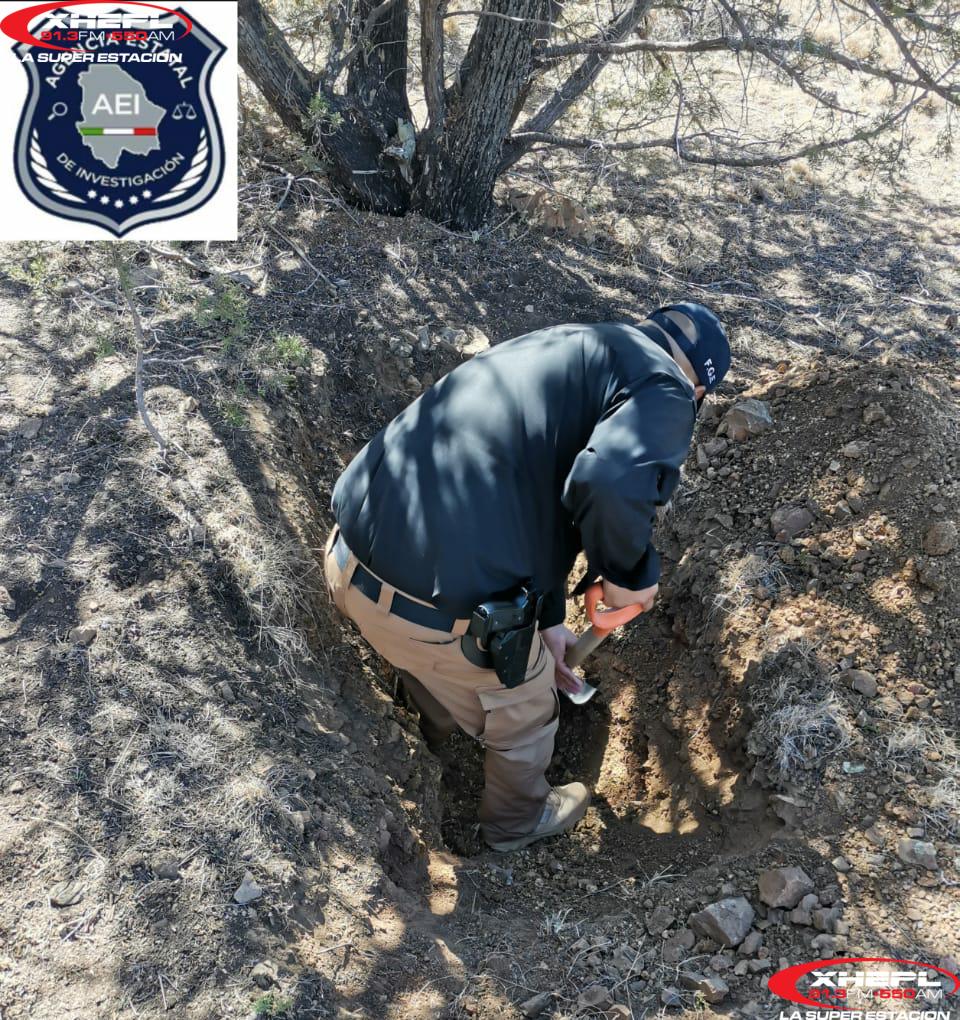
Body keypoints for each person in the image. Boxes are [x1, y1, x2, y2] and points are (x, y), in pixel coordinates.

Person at [324, 303, 731, 851]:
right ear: (698, 391)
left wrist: (548, 619)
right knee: (531, 705)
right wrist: (627, 573)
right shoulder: (667, 387)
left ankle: (432, 720)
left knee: (464, 662)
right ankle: (517, 823)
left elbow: (527, 497)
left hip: (347, 562)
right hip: (423, 608)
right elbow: (609, 481)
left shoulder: (575, 347)